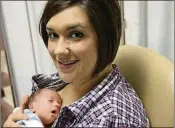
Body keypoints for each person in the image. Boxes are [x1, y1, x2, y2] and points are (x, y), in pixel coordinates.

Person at [4, 0, 150, 127]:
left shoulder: (115, 120)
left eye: (76, 34)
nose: (58, 50)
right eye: (53, 35)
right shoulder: (65, 79)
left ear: (106, 37)